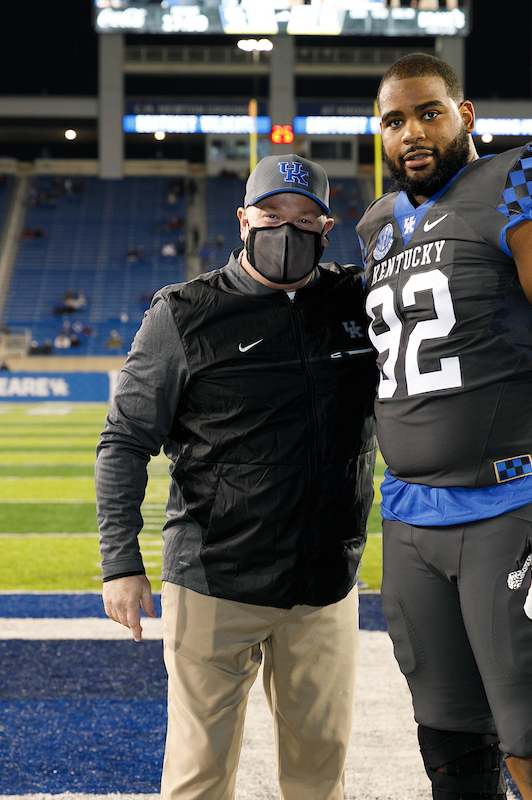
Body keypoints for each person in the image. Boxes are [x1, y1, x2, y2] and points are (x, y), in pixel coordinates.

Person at [357, 53, 532, 800]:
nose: (411, 132)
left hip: (511, 508)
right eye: (394, 119)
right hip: (409, 520)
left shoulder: (524, 180)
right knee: (451, 754)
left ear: (465, 115)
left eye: (429, 112)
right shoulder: (378, 226)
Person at [97, 154, 377, 800]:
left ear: (327, 228)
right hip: (215, 579)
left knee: (320, 772)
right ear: (243, 220)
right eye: (273, 215)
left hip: (324, 584)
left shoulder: (355, 302)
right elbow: (124, 441)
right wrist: (120, 563)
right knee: (199, 774)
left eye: (305, 219)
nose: (288, 230)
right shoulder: (185, 314)